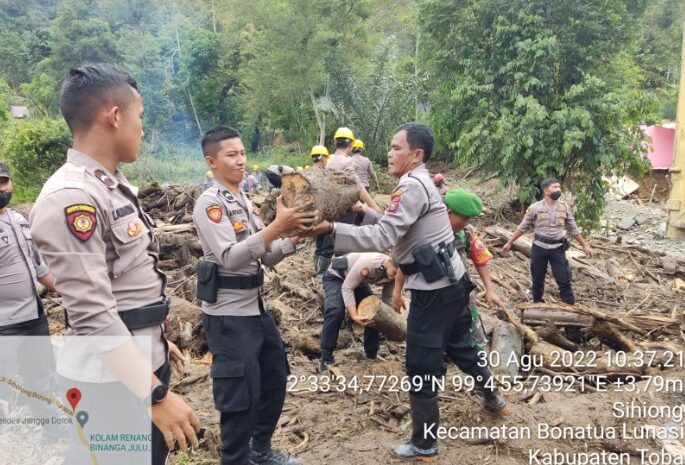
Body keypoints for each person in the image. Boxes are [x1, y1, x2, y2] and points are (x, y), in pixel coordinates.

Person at [29, 63, 200, 464]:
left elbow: (121, 284)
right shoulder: (72, 197)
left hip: (135, 366)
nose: (142, 128)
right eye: (139, 117)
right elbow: (91, 314)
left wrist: (155, 337)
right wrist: (153, 394)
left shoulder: (110, 185)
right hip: (109, 385)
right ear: (115, 115)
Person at [306, 122, 507, 461]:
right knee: (462, 347)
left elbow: (384, 237)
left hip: (434, 292)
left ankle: (425, 444)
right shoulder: (418, 182)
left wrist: (331, 228)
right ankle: (494, 399)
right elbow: (395, 224)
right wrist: (365, 211)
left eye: (396, 147)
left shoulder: (411, 186)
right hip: (454, 284)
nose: (389, 152)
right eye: (390, 146)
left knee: (420, 363)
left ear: (416, 154)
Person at [192, 125, 316, 465]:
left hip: (255, 309)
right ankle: (234, 459)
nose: (241, 160)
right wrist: (277, 225)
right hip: (228, 316)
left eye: (243, 153)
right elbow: (230, 257)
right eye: (231, 155)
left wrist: (295, 237)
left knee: (275, 377)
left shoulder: (245, 202)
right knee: (239, 396)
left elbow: (266, 255)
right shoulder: (210, 204)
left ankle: (260, 450)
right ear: (212, 162)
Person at [0, 161, 58, 430]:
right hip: (4, 323)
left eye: (3, 182)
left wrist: (70, 291)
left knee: (40, 375)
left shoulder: (20, 220)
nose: (1, 188)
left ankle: (49, 427)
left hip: (33, 315)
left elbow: (39, 268)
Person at [502, 178, 592, 306]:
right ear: (546, 191)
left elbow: (573, 228)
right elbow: (523, 227)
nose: (558, 190)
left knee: (564, 279)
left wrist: (584, 245)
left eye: (559, 187)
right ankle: (537, 304)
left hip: (557, 248)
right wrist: (509, 242)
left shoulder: (564, 207)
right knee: (537, 279)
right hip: (539, 248)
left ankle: (570, 308)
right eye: (555, 187)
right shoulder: (535, 207)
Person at [444, 188, 503, 352]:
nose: (467, 222)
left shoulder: (466, 232)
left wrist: (489, 291)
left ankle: (479, 353)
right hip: (433, 290)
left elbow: (480, 259)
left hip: (462, 287)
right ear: (450, 212)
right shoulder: (429, 230)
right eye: (464, 218)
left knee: (470, 318)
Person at [319, 252, 396, 372]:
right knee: (335, 312)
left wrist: (391, 318)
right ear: (390, 261)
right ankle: (326, 357)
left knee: (375, 312)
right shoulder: (369, 262)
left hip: (359, 283)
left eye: (399, 275)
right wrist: (354, 315)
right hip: (336, 277)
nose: (395, 277)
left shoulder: (395, 270)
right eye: (395, 273)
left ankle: (371, 354)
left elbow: (387, 300)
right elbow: (347, 288)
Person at [326, 127, 381, 212]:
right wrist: (374, 206)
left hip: (331, 205)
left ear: (335, 143)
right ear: (351, 144)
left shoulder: (328, 160)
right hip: (345, 206)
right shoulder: (348, 161)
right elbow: (358, 186)